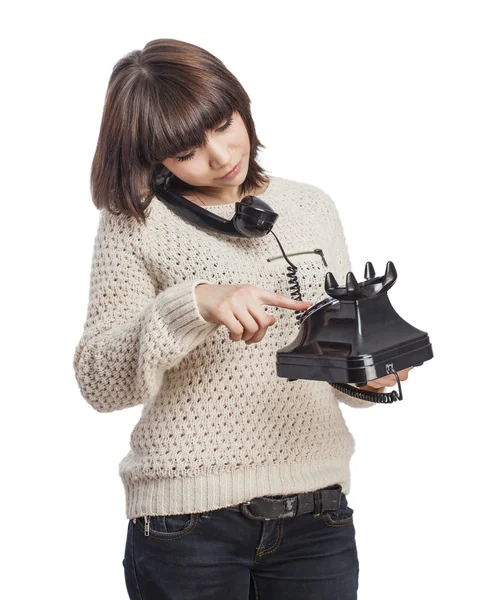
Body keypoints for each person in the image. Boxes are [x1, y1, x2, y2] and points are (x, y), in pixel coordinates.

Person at [73, 38, 412, 600]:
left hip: (318, 515)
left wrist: (372, 377)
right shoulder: (135, 223)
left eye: (224, 123)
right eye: (185, 151)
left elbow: (335, 362)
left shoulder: (312, 207)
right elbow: (99, 382)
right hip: (188, 525)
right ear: (152, 158)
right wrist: (193, 303)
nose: (220, 153)